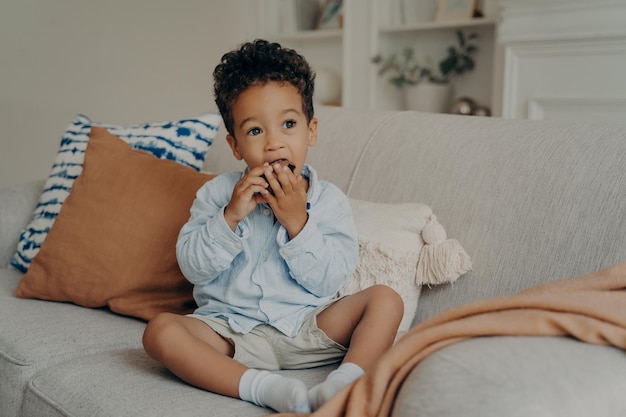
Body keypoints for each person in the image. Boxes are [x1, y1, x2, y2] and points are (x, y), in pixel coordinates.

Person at [142, 39, 404, 414]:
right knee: (160, 332)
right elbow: (193, 267)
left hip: (307, 326)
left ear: (311, 131)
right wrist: (230, 216)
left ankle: (347, 380)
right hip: (231, 332)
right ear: (234, 146)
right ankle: (263, 388)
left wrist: (298, 221)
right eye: (254, 131)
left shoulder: (329, 200)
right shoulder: (217, 194)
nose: (274, 143)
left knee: (385, 299)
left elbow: (330, 280)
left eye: (288, 124)